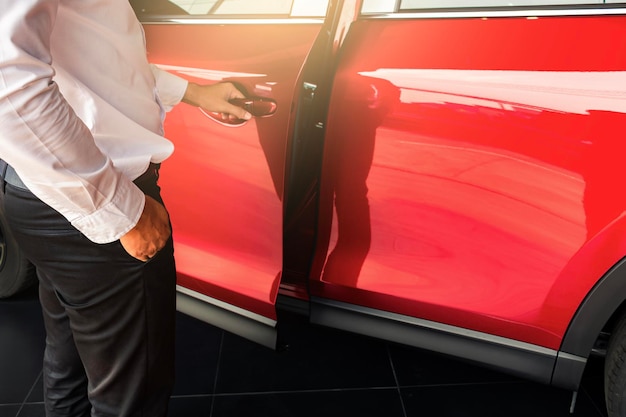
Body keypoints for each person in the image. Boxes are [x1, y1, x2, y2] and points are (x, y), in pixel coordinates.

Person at [0, 1, 251, 416]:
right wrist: (119, 209)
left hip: (47, 192)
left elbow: (93, 62)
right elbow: (9, 83)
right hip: (92, 197)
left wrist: (191, 91)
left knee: (70, 367)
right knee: (129, 401)